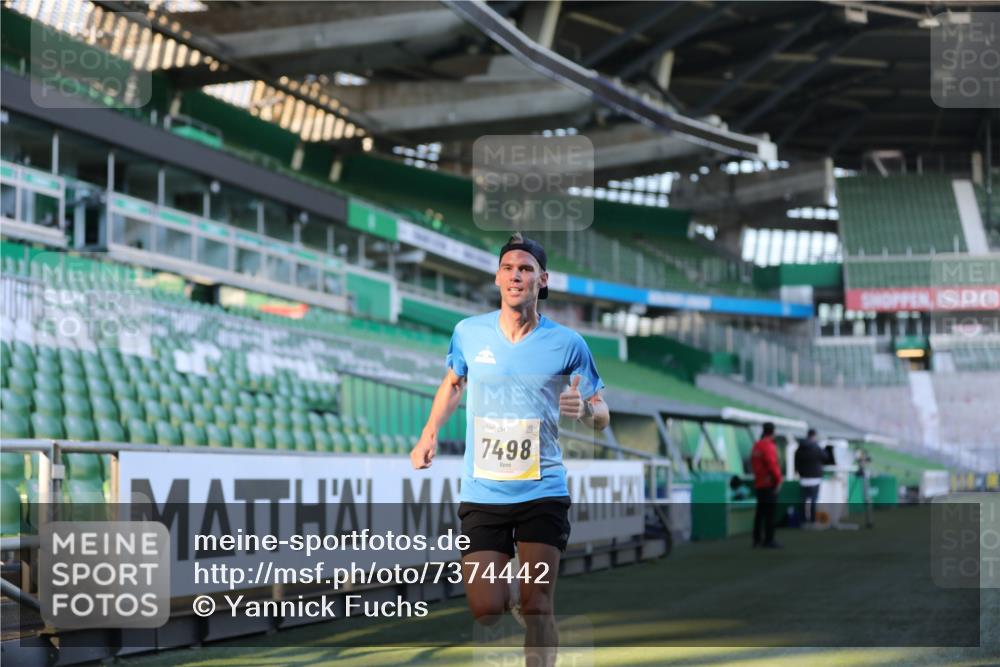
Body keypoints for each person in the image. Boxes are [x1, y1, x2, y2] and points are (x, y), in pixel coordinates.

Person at [411, 233, 609, 667]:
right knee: (486, 610)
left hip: (543, 489)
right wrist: (429, 432)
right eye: (508, 267)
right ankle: (515, 603)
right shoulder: (468, 332)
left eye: (525, 268)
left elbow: (601, 411)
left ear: (543, 279)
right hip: (483, 492)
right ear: (498, 277)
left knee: (539, 606)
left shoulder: (568, 343)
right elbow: (453, 384)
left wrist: (584, 411)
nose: (515, 275)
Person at [751, 422, 783, 549]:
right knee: (770, 514)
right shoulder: (768, 446)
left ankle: (757, 539)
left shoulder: (756, 445)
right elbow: (772, 465)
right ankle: (769, 540)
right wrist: (778, 480)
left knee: (760, 513)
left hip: (759, 483)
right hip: (768, 484)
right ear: (773, 432)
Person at [794, 428, 825, 526]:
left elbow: (796, 461)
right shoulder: (816, 447)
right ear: (814, 435)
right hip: (815, 478)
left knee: (803, 500)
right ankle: (812, 520)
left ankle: (803, 520)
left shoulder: (800, 447)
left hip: (803, 478)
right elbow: (825, 457)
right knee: (813, 500)